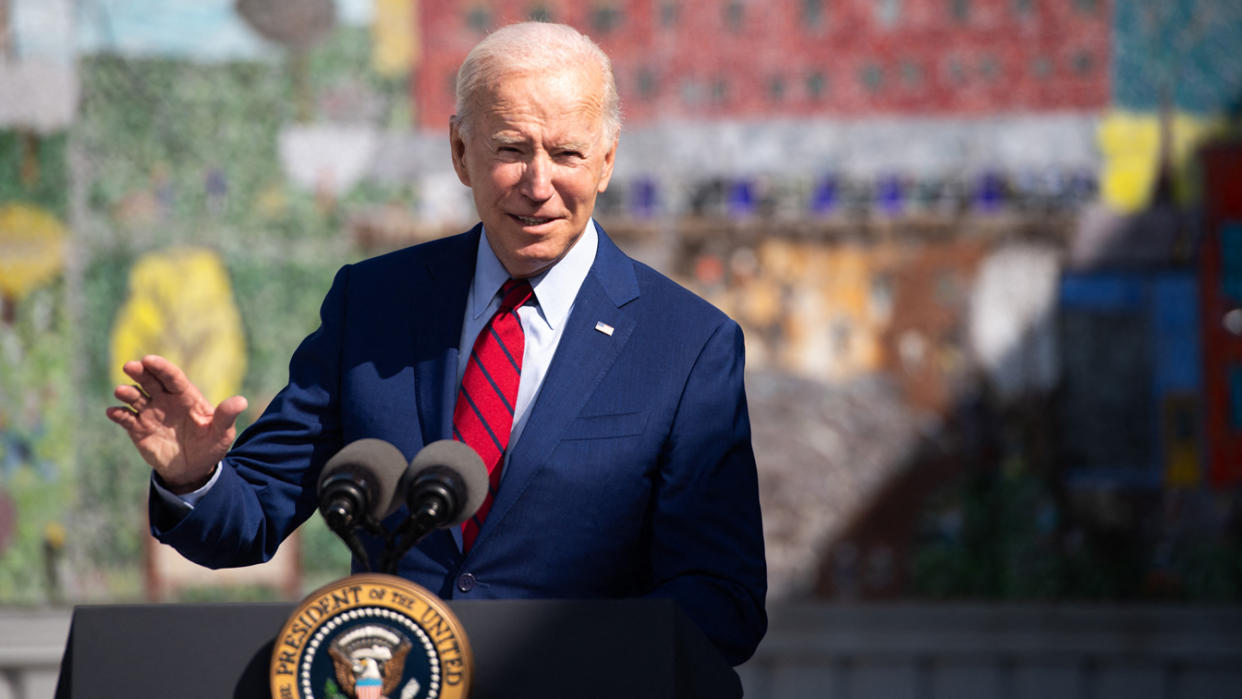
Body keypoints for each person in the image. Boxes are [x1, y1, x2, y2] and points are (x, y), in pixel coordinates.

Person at [107, 22, 766, 666]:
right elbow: (249, 517)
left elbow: (722, 601)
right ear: (459, 152)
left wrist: (568, 659)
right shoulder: (374, 305)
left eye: (566, 153)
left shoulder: (686, 344)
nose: (539, 184)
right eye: (511, 149)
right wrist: (192, 476)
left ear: (607, 159)